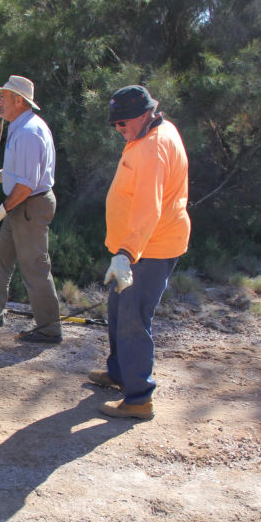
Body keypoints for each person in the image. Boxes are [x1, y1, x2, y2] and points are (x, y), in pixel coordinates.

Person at [91, 85, 191, 420]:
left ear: (146, 112)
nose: (119, 129)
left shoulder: (154, 146)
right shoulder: (150, 133)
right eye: (114, 124)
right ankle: (120, 374)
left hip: (148, 249)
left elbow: (149, 207)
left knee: (133, 319)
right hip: (135, 247)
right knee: (119, 310)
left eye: (123, 123)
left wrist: (126, 254)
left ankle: (138, 398)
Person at [0, 75, 63, 344]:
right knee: (1, 258)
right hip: (20, 205)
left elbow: (28, 185)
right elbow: (22, 174)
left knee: (34, 267)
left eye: (3, 97)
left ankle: (49, 329)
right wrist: (1, 176)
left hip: (29, 206)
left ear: (19, 101)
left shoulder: (30, 132)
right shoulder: (20, 126)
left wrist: (2, 208)